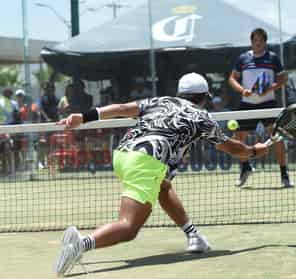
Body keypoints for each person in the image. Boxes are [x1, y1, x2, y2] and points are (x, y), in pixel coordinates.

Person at [54, 72, 269, 276]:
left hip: (122, 154)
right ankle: (80, 244)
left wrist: (83, 117)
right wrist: (252, 151)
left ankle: (193, 235)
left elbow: (121, 108)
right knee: (129, 227)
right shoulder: (202, 118)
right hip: (146, 162)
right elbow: (231, 147)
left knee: (163, 186)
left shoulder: (160, 101)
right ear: (203, 98)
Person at [228, 27, 292, 188]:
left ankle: (284, 174)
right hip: (246, 104)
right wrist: (243, 90)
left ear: (265, 42)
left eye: (260, 40)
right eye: (254, 40)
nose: (257, 43)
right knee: (237, 139)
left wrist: (269, 88)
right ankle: (245, 168)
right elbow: (232, 79)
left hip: (268, 104)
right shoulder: (243, 58)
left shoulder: (272, 58)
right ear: (251, 42)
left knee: (277, 138)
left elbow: (283, 78)